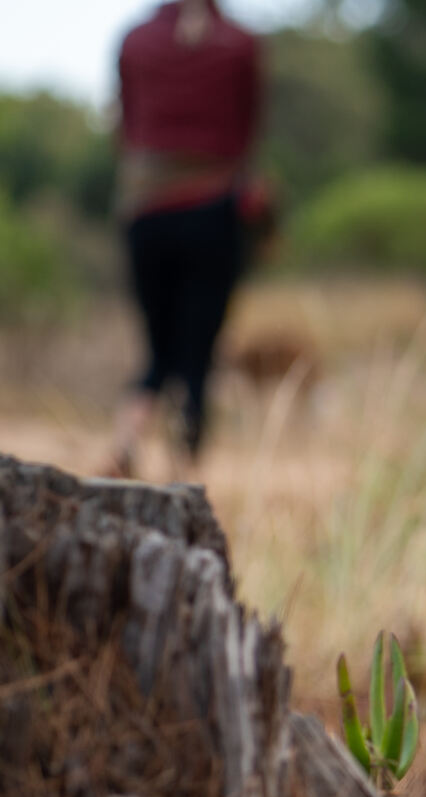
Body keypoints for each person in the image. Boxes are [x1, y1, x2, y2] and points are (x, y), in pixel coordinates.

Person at [109, 0, 262, 476]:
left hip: (146, 212)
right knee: (197, 355)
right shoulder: (240, 44)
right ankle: (185, 478)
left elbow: (125, 127)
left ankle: (127, 438)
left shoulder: (134, 40)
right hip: (212, 212)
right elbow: (247, 131)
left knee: (158, 353)